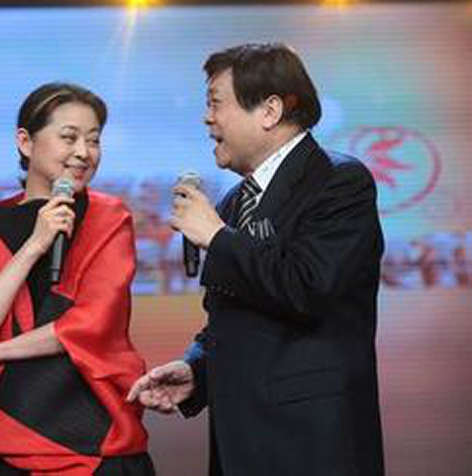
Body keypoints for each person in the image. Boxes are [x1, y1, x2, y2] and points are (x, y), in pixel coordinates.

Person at [127, 43, 385, 476]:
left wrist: (216, 237)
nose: (206, 118)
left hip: (310, 445)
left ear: (269, 111)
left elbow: (308, 287)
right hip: (239, 444)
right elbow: (233, 317)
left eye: (215, 103)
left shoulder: (338, 181)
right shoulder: (234, 202)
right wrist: (197, 370)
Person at [0, 82, 155, 476]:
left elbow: (92, 323)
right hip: (7, 438)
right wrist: (34, 246)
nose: (84, 152)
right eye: (69, 137)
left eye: (94, 140)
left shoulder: (108, 217)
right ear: (25, 142)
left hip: (97, 438)